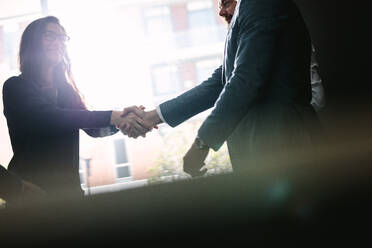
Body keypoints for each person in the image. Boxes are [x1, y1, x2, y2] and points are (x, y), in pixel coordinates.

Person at [123, 0, 323, 177]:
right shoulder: (249, 16)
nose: (220, 12)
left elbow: (245, 80)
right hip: (272, 149)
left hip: (286, 145)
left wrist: (202, 144)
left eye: (226, 2)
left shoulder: (260, 5)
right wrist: (152, 116)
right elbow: (218, 84)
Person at [2, 16, 151, 197]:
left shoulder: (65, 90)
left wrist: (127, 122)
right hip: (31, 192)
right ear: (32, 42)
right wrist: (114, 116)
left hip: (69, 192)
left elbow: (92, 128)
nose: (58, 43)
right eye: (50, 36)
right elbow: (53, 118)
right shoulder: (15, 86)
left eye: (62, 38)